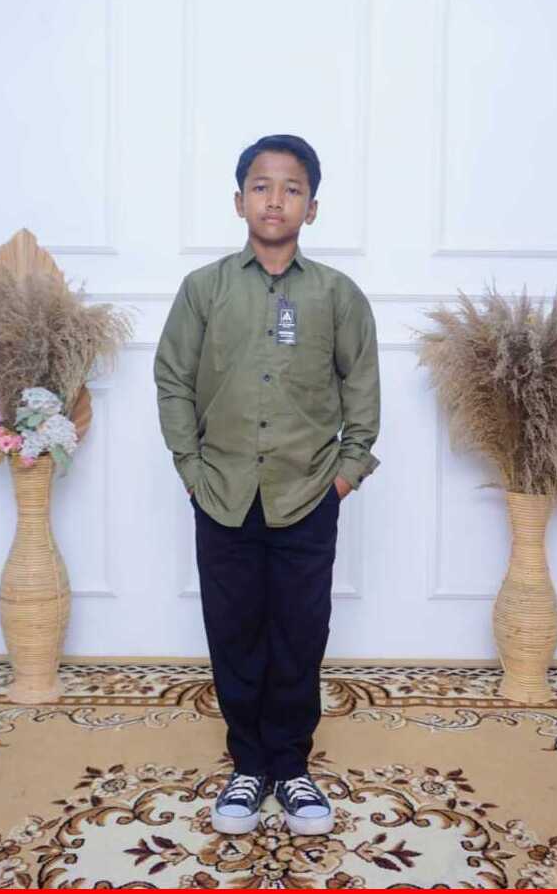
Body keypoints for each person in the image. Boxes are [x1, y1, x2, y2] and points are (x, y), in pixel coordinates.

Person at [153, 133, 381, 837]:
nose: (274, 199)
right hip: (222, 493)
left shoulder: (338, 295)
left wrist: (346, 474)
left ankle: (292, 765)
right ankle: (248, 766)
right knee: (234, 630)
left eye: (291, 188)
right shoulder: (204, 290)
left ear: (312, 207)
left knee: (300, 632)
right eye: (260, 186)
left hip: (307, 493)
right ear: (238, 201)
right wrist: (191, 470)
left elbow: (362, 388)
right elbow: (173, 380)